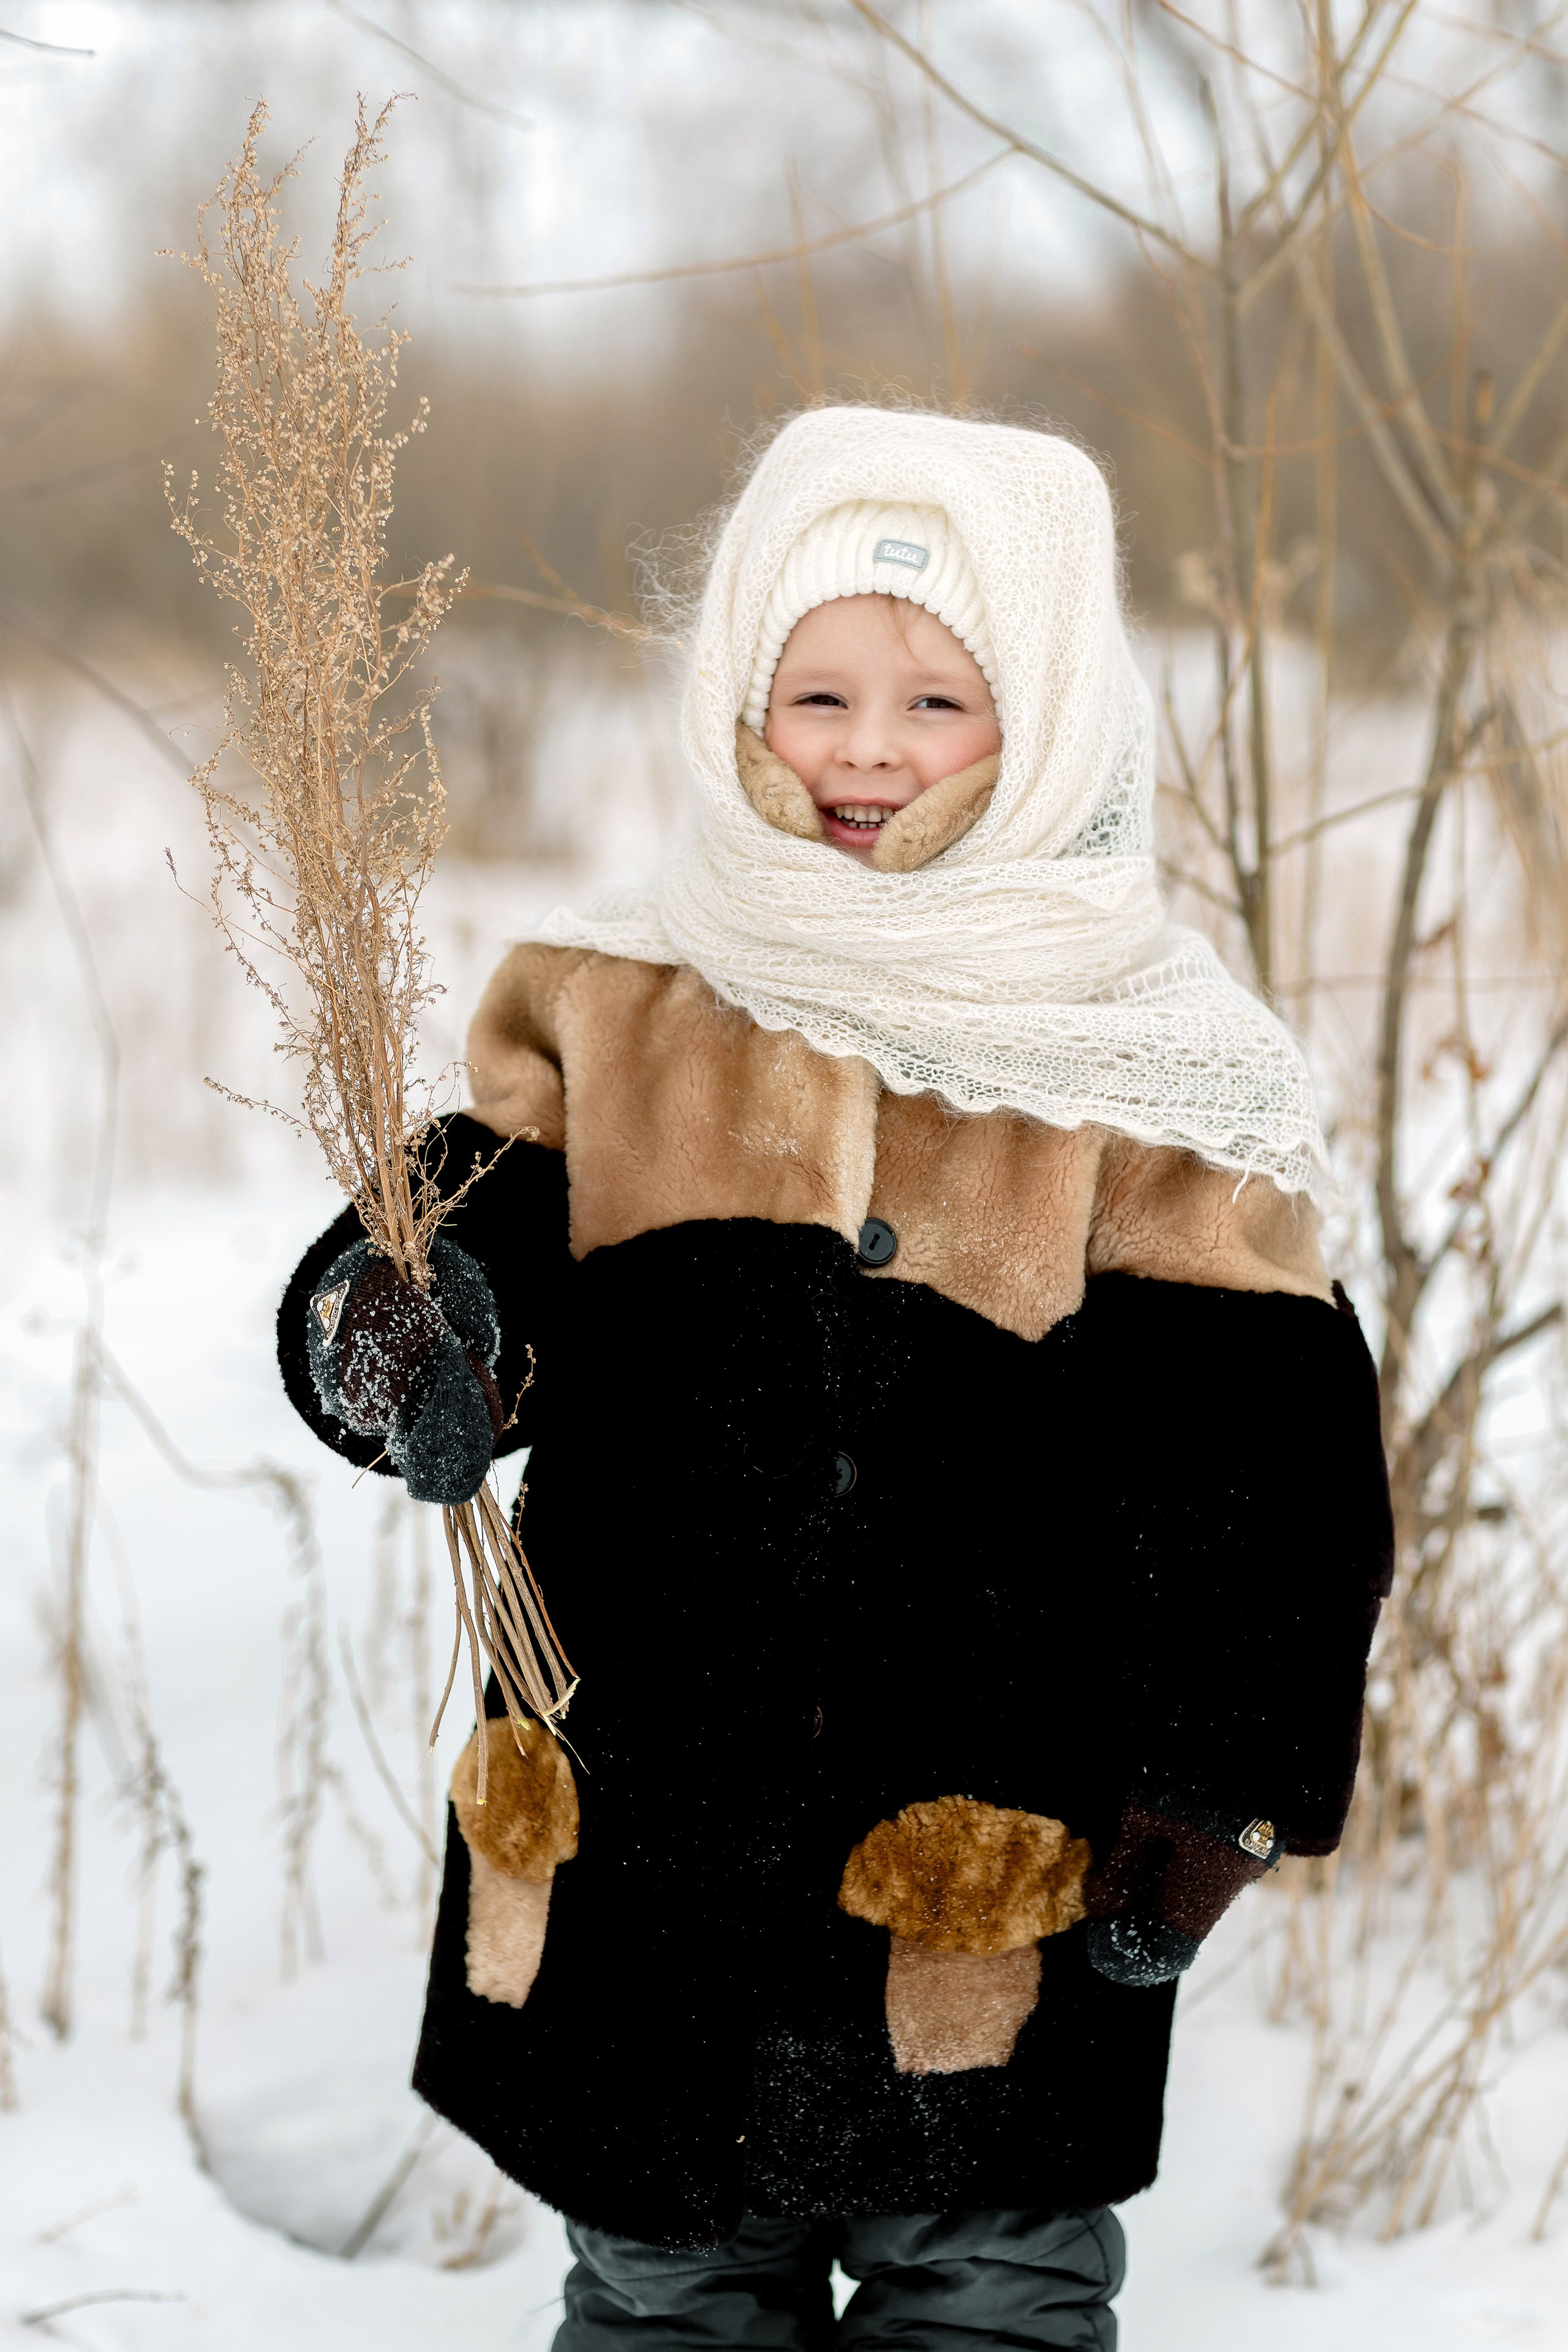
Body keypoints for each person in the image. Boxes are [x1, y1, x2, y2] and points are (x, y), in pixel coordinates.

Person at [277, 405, 1393, 2350]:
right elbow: (466, 1241)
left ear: (1046, 718)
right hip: (654, 1827)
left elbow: (1271, 1459)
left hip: (989, 1845)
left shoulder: (1138, 1066)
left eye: (938, 701)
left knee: (993, 2285)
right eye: (819, 691)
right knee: (660, 2282)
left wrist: (1227, 1778)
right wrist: (408, 1324)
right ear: (739, 699)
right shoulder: (618, 1001)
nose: (868, 747)